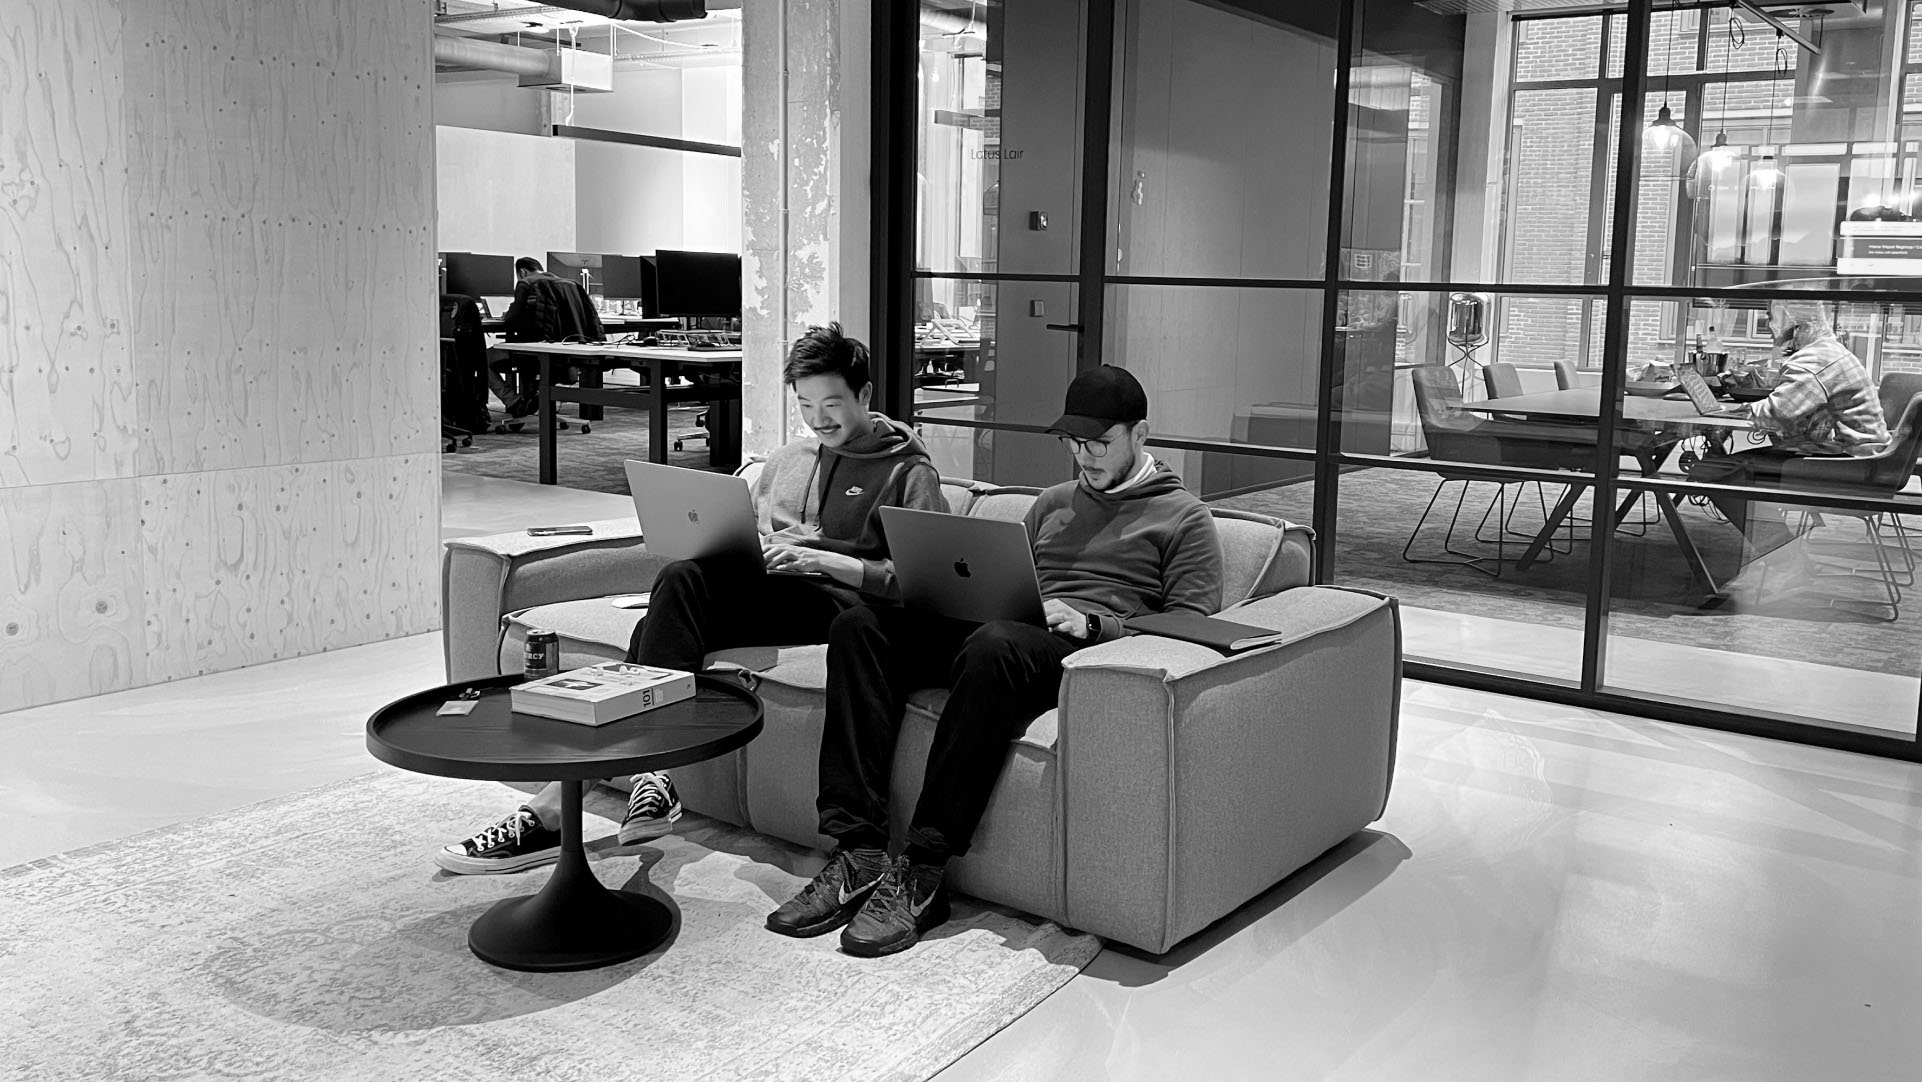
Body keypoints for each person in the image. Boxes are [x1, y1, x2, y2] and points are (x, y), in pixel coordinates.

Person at [437, 323, 947, 874]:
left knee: (666, 614)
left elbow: (923, 583)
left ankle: (561, 806)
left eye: (832, 404)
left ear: (865, 396)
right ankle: (640, 781)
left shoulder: (908, 470)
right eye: (804, 404)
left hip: (837, 606)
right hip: (770, 589)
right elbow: (742, 530)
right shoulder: (786, 460)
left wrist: (828, 561)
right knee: (678, 585)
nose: (818, 419)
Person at [765, 365, 1224, 956]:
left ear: (1140, 435)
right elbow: (1008, 580)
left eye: (1099, 442)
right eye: (1073, 442)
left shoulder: (1184, 517)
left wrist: (1095, 623)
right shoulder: (1052, 503)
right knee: (859, 626)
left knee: (997, 642)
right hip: (1004, 628)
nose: (1083, 456)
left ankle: (923, 869)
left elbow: (1192, 626)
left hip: (1075, 646)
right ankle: (858, 850)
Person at [1687, 299, 1889, 555]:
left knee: (1714, 469)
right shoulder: (1828, 350)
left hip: (1851, 465)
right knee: (1736, 465)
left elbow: (1777, 415)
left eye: (1771, 317)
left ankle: (1782, 556)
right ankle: (1779, 547)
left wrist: (1729, 413)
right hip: (1860, 457)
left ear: (1793, 321)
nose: (1769, 326)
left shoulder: (1817, 359)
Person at [488, 257, 605, 417]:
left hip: (534, 352)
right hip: (566, 353)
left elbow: (512, 320)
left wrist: (508, 313)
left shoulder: (527, 283)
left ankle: (514, 402)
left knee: (481, 359)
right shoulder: (570, 284)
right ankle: (531, 398)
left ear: (522, 272)